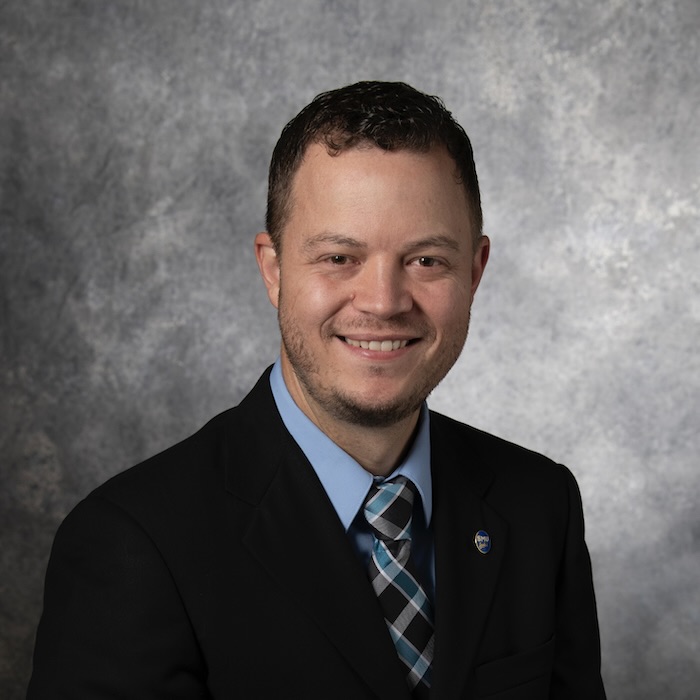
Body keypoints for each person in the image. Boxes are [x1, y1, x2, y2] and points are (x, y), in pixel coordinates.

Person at [27, 81, 606, 699]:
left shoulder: (540, 505)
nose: (383, 303)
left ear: (474, 270)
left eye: (426, 260)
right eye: (338, 258)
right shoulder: (133, 543)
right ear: (273, 271)